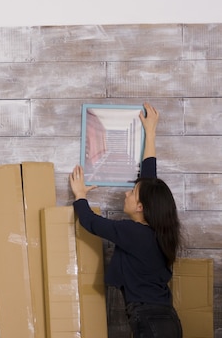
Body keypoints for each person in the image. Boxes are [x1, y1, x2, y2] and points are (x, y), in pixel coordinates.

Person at [69, 103, 182, 337]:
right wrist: (150, 132)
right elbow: (149, 181)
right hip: (165, 319)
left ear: (141, 207)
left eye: (132, 193)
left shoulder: (133, 233)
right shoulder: (154, 231)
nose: (126, 193)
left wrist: (80, 195)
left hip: (150, 322)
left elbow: (90, 222)